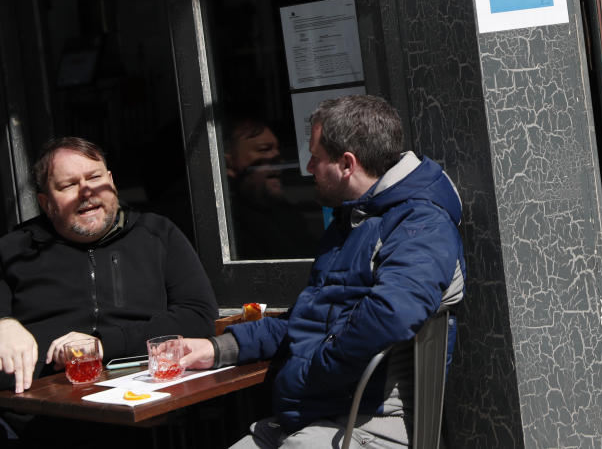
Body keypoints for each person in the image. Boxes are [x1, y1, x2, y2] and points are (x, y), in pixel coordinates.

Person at [178, 94, 466, 448]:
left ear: (347, 164)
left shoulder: (420, 222)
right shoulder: (352, 222)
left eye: (315, 158)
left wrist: (312, 367)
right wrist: (218, 348)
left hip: (371, 422)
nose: (308, 168)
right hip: (316, 413)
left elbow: (392, 313)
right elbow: (307, 318)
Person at [0, 136, 218, 396]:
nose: (87, 192)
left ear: (111, 182)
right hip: (41, 409)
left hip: (145, 397)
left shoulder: (157, 234)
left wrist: (103, 344)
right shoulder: (15, 249)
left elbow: (200, 318)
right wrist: (1, 324)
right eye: (68, 185)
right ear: (46, 203)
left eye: (95, 178)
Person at [225, 116, 323, 259]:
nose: (278, 159)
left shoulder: (287, 215)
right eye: (264, 150)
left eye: (278, 151)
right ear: (229, 163)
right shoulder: (228, 225)